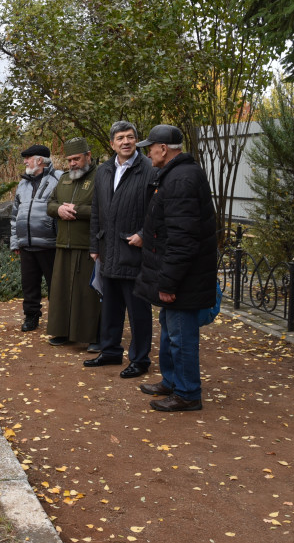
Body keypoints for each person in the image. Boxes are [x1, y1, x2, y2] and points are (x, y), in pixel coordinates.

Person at [133, 125, 218, 411]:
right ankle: (172, 382)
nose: (147, 152)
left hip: (185, 279)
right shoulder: (174, 175)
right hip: (179, 275)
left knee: (182, 337)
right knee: (170, 331)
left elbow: (183, 239)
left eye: (150, 147)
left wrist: (169, 283)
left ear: (163, 149)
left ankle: (188, 394)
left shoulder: (182, 179)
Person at [89, 121, 157, 378]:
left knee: (138, 310)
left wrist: (144, 235)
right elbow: (97, 209)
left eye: (130, 137)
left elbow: (157, 209)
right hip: (108, 250)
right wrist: (94, 245)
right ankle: (110, 351)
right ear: (112, 143)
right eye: (120, 138)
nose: (126, 142)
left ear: (137, 141)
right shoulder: (104, 170)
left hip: (135, 251)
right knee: (111, 306)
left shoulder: (149, 169)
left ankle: (140, 360)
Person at [46, 138, 101, 350]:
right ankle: (62, 332)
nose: (72, 164)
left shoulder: (100, 177)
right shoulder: (64, 179)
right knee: (62, 292)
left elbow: (103, 209)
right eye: (69, 160)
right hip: (63, 244)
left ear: (88, 156)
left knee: (88, 295)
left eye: (76, 159)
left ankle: (93, 337)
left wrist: (76, 210)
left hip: (88, 245)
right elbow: (50, 204)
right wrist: (59, 210)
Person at [10, 144, 62, 332]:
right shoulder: (23, 183)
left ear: (40, 160)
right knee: (29, 285)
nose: (25, 161)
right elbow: (15, 214)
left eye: (28, 158)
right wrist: (16, 241)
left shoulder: (58, 179)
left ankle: (60, 321)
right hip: (27, 244)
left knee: (55, 286)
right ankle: (31, 317)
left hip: (50, 244)